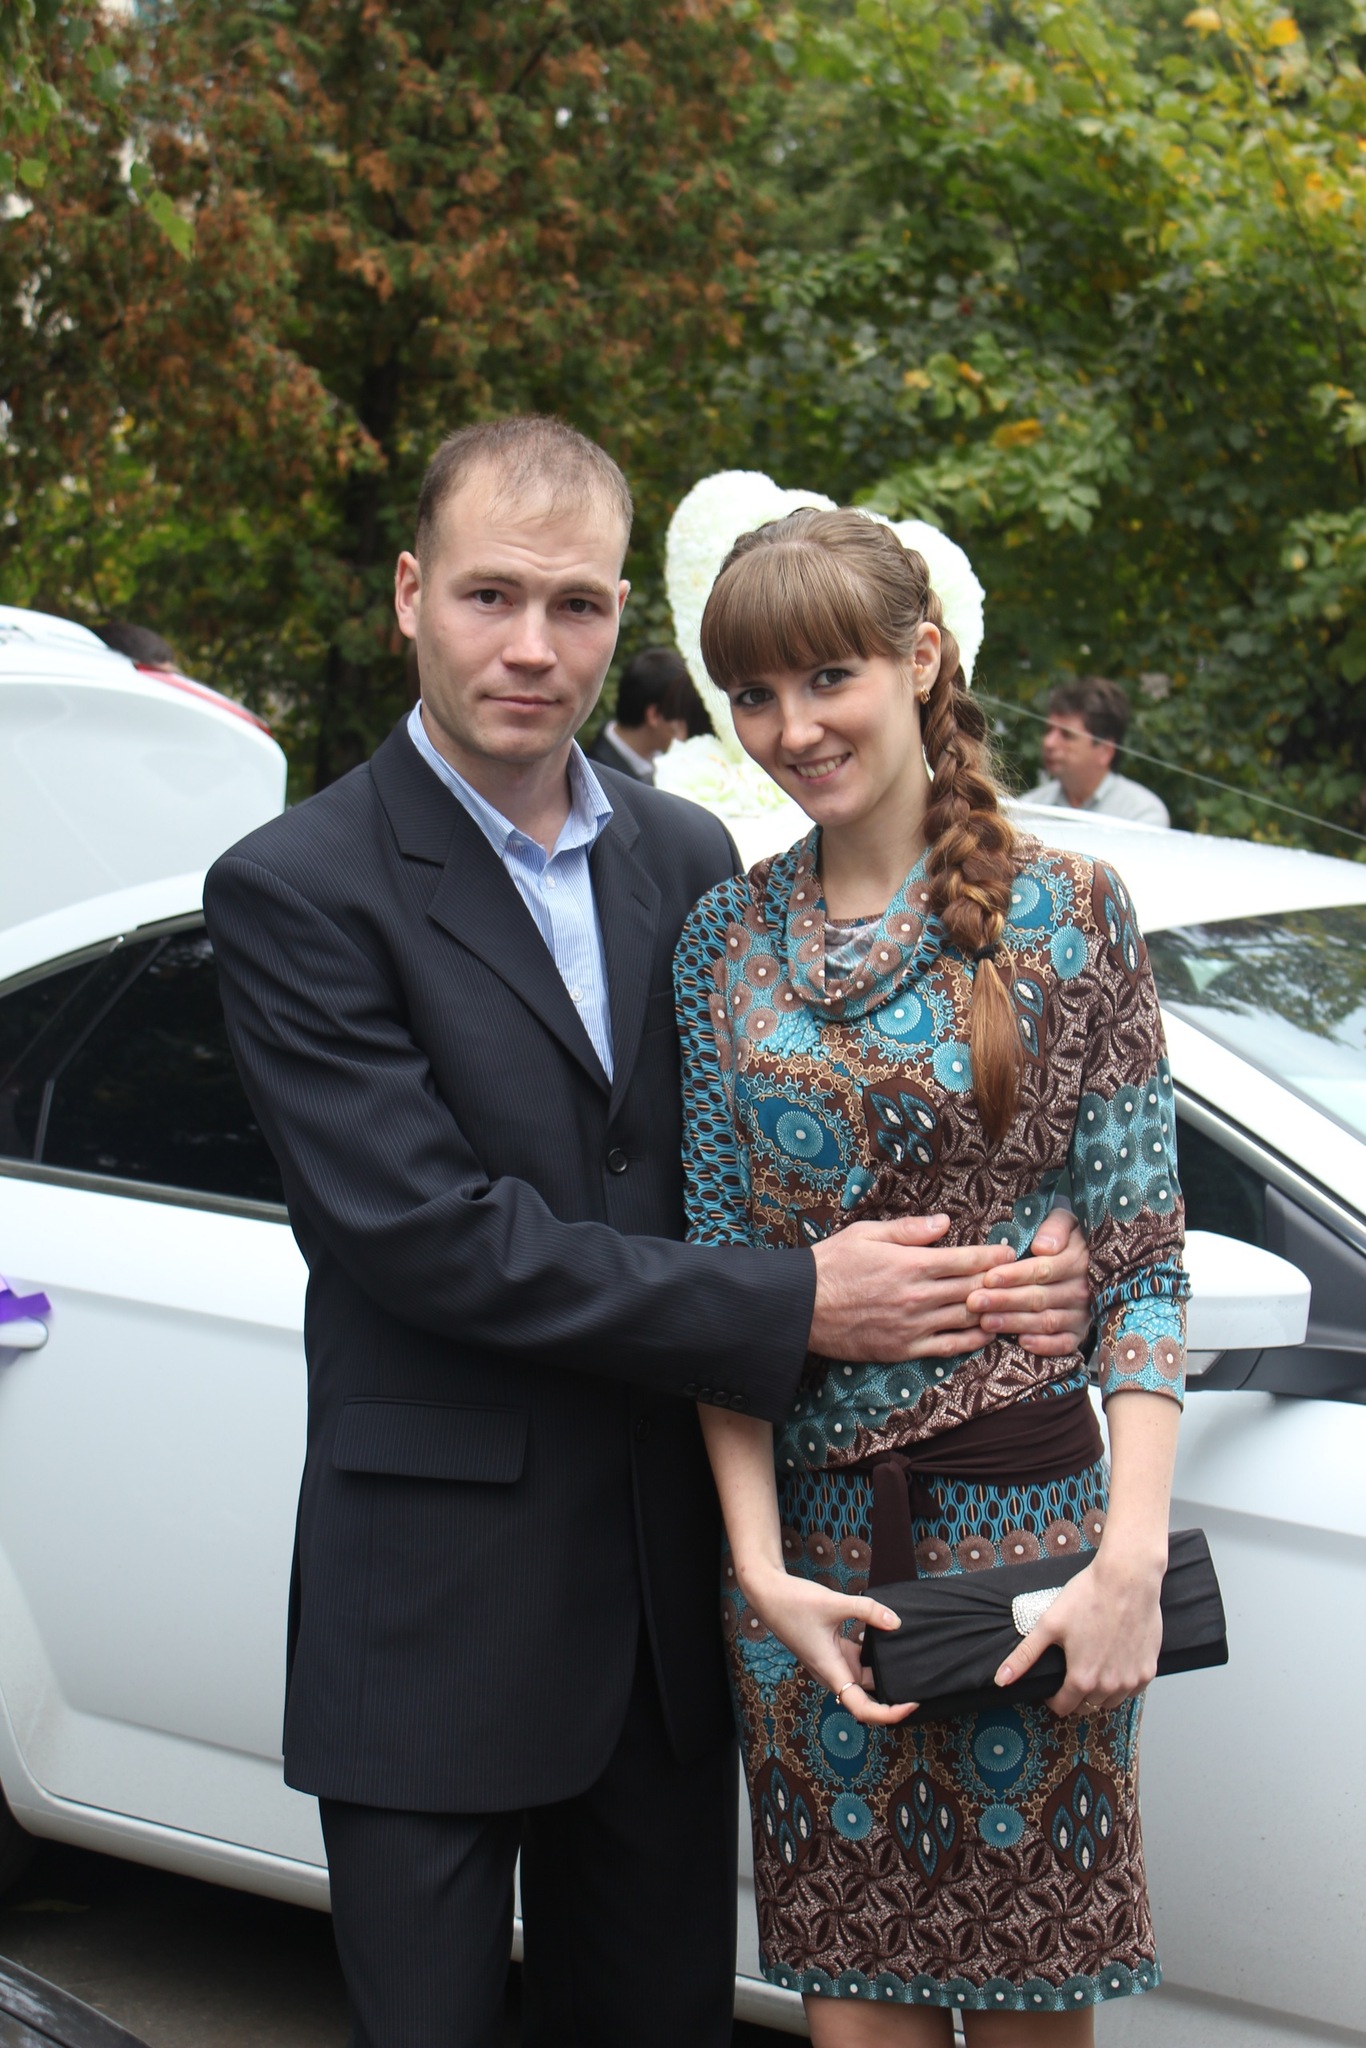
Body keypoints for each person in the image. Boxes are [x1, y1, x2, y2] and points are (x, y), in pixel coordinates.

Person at [202, 417, 1093, 2048]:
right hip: (438, 1617)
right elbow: (429, 1236)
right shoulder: (297, 885)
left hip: (668, 1623)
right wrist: (791, 1302)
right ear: (408, 596)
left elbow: (793, 1141)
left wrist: (1039, 1241)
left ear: (622, 617)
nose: (531, 647)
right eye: (487, 595)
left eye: (577, 605)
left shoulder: (687, 856)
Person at [676, 509, 1187, 2041]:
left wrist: (1127, 1568)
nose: (791, 729)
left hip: (1033, 1554)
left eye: (826, 677)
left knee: (1033, 2006)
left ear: (920, 659)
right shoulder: (722, 943)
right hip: (811, 1577)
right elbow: (717, 1287)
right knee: (855, 2012)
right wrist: (759, 1572)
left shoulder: (1068, 912)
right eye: (753, 695)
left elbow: (1141, 1263)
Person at [1020, 677, 1170, 826]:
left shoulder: (1141, 813)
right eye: (1048, 730)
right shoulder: (1025, 810)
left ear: (1105, 751)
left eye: (1067, 735)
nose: (1049, 743)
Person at [583, 642, 696, 780]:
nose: (685, 727)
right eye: (681, 716)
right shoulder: (596, 775)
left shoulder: (668, 761)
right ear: (654, 715)